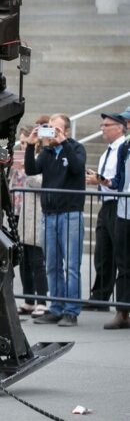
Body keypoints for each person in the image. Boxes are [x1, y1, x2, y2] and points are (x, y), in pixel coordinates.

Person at [25, 113, 87, 327]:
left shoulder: (76, 148)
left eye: (56, 128)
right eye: (49, 128)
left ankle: (71, 310)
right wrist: (31, 146)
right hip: (49, 214)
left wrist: (64, 142)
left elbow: (78, 168)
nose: (51, 132)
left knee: (71, 265)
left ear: (66, 131)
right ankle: (56, 307)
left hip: (70, 214)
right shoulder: (48, 152)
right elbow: (31, 170)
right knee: (52, 265)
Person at [84, 113, 127, 310]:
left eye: (107, 125)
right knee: (102, 252)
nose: (102, 128)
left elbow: (117, 181)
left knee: (119, 253)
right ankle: (100, 295)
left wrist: (99, 180)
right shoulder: (107, 152)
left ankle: (119, 301)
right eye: (102, 124)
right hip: (106, 204)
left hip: (118, 203)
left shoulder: (123, 149)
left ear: (120, 127)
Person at [10, 121, 49, 317]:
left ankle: (42, 300)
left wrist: (26, 172)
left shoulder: (41, 158)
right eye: (22, 143)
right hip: (19, 212)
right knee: (24, 258)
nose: (23, 147)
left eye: (26, 143)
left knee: (36, 259)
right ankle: (28, 300)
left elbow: (42, 181)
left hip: (36, 212)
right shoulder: (22, 159)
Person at [99, 114, 130, 329]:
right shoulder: (124, 148)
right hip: (124, 211)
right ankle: (122, 311)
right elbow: (119, 180)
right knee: (123, 262)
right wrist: (104, 181)